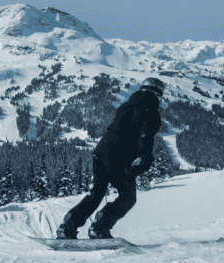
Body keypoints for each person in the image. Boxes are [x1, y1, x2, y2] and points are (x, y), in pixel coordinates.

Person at [56, 77, 165, 239]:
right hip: (119, 158)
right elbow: (145, 135)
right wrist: (145, 156)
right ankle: (100, 227)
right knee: (127, 198)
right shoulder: (150, 110)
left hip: (100, 153)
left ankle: (67, 227)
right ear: (157, 93)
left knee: (97, 193)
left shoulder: (126, 105)